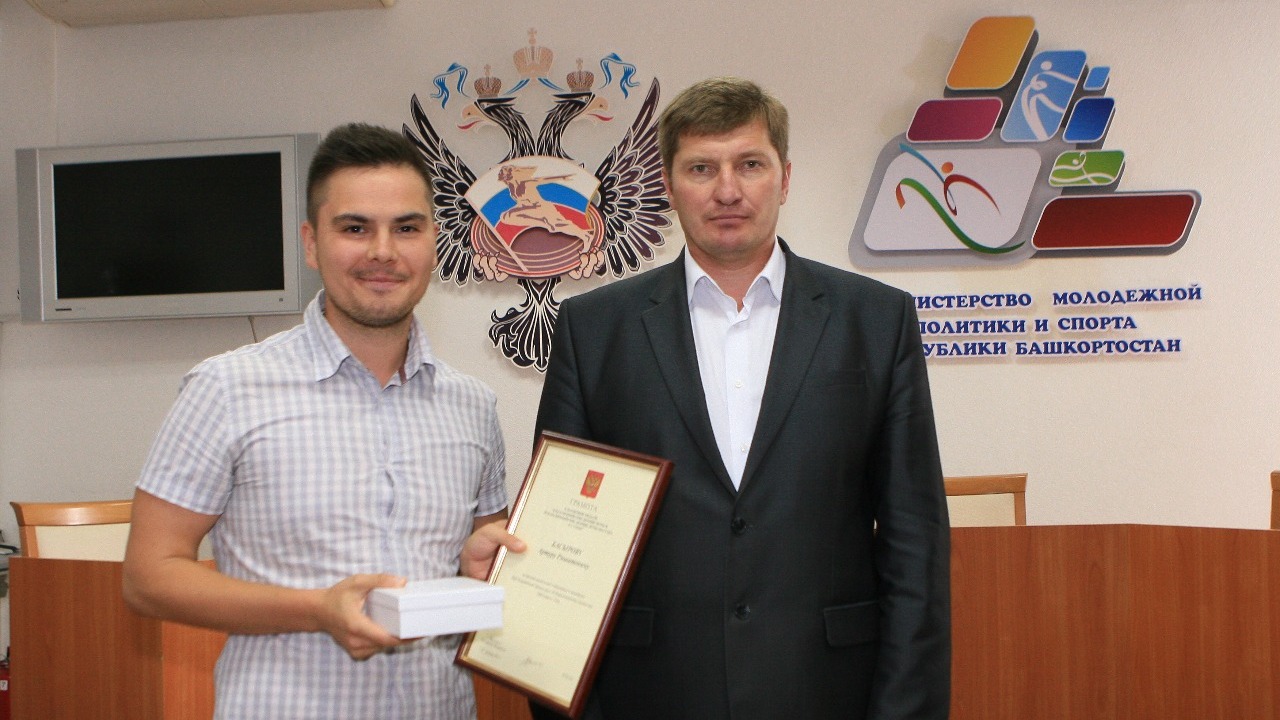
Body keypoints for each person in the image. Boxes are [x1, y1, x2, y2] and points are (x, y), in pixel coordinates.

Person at [532, 77, 950, 719]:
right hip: (650, 696)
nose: (727, 190)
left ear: (785, 179)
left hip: (826, 692)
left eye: (750, 164)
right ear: (668, 185)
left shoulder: (875, 320)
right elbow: (560, 551)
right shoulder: (593, 330)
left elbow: (914, 543)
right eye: (701, 168)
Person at [122, 122, 524, 720]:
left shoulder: (472, 405)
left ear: (434, 242)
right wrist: (316, 610)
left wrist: (477, 566)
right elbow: (148, 576)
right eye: (355, 228)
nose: (383, 251)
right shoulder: (226, 388)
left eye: (406, 228)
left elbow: (478, 564)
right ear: (312, 244)